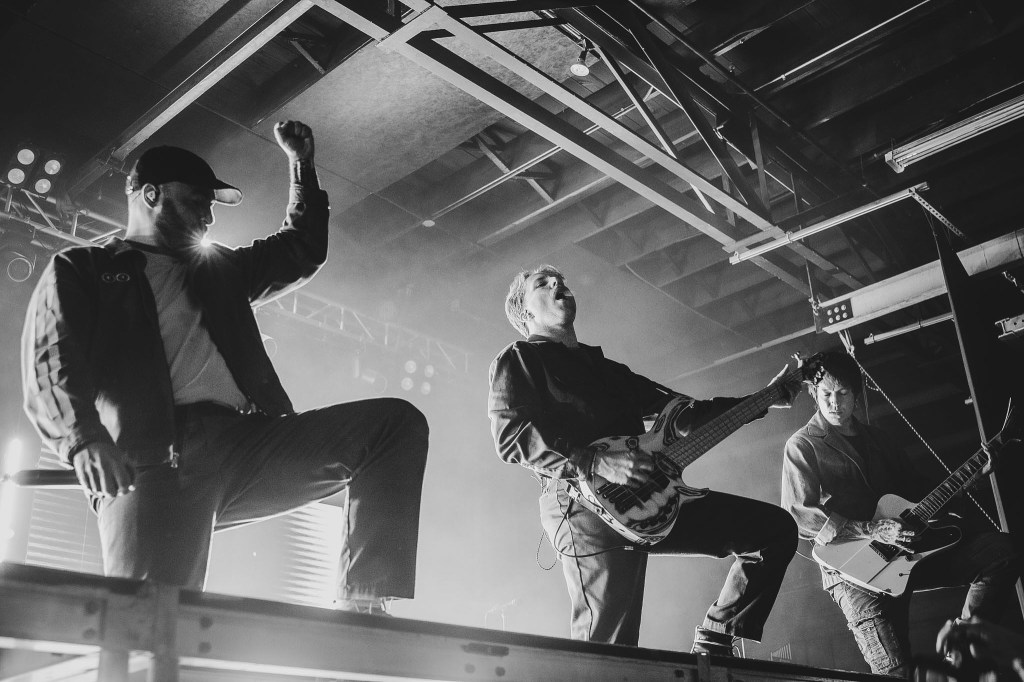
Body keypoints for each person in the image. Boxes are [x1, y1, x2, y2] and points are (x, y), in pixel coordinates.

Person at [21, 121, 428, 613]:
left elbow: (300, 248)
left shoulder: (221, 272)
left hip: (245, 448)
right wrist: (82, 440)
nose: (208, 215)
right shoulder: (85, 268)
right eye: (197, 201)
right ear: (151, 194)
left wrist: (301, 164)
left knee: (393, 426)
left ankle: (363, 602)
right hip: (155, 462)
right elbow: (51, 363)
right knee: (150, 617)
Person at [487, 264, 800, 655]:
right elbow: (512, 437)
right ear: (525, 311)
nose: (558, 283)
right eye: (543, 283)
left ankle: (716, 638)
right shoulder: (519, 358)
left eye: (562, 280)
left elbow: (685, 414)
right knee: (611, 646)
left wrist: (763, 399)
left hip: (652, 494)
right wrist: (596, 462)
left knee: (774, 531)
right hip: (581, 507)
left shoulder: (608, 371)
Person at [781, 351, 1020, 677]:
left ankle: (964, 645)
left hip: (908, 556)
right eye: (826, 394)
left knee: (1001, 551)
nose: (834, 403)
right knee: (897, 675)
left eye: (842, 393)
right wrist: (873, 529)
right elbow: (798, 516)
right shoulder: (803, 445)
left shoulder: (879, 439)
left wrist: (971, 480)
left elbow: (919, 494)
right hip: (854, 576)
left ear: (856, 393)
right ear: (814, 394)